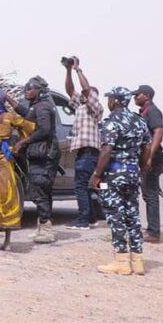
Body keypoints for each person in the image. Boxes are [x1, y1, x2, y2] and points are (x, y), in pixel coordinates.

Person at [91, 87, 151, 275]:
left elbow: (107, 150)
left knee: (116, 216)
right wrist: (140, 166)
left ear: (116, 101)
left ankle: (122, 261)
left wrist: (97, 175)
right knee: (132, 216)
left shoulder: (112, 122)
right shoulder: (139, 121)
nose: (107, 102)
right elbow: (147, 147)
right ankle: (137, 261)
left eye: (109, 99)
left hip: (113, 176)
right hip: (132, 174)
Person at [0, 88, 34, 251]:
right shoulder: (10, 117)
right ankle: (8, 242)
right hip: (6, 162)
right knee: (9, 198)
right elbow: (30, 127)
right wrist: (18, 144)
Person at [6, 76, 61, 243]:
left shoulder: (43, 107)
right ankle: (42, 225)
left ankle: (46, 228)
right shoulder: (37, 105)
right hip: (41, 154)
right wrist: (8, 98)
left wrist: (24, 141)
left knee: (40, 189)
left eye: (29, 88)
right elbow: (25, 113)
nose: (26, 91)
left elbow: (44, 130)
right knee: (42, 190)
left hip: (44, 155)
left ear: (38, 90)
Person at [63, 57, 104, 230]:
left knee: (79, 185)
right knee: (84, 185)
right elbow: (70, 90)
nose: (83, 95)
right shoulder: (81, 106)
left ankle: (83, 220)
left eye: (86, 94)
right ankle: (91, 217)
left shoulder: (96, 107)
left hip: (89, 151)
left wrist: (78, 69)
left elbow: (86, 89)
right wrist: (68, 70)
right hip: (83, 150)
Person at [132, 85, 163, 243]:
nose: (135, 97)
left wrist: (150, 156)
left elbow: (158, 132)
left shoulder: (153, 111)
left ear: (146, 96)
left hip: (152, 157)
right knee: (147, 193)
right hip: (145, 157)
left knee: (151, 194)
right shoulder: (144, 111)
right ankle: (152, 228)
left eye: (137, 95)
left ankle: (154, 232)